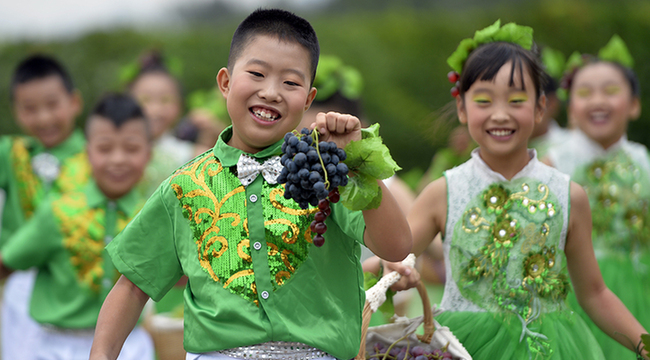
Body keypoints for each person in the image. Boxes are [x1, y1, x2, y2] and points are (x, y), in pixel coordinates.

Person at [89, 8, 412, 360]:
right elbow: (133, 286)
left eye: (290, 83)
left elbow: (396, 246)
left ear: (307, 99)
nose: (271, 92)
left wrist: (357, 161)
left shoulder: (325, 173)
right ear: (225, 82)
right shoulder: (184, 186)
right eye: (257, 74)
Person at [380, 21, 648, 359]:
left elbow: (594, 294)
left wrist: (644, 343)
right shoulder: (443, 191)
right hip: (465, 347)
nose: (500, 114)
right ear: (463, 108)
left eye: (517, 100)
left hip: (549, 348)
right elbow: (396, 253)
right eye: (484, 100)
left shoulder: (569, 195)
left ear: (540, 109)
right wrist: (391, 267)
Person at [0, 93, 154, 360]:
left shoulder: (154, 216)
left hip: (129, 348)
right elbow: (8, 262)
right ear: (87, 152)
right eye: (105, 148)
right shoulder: (58, 212)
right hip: (56, 348)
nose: (118, 160)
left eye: (131, 149)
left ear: (148, 152)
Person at [545, 35, 649, 359]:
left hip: (640, 289)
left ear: (634, 104)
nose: (597, 100)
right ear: (571, 107)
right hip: (576, 292)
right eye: (585, 93)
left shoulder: (643, 159)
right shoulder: (553, 163)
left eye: (611, 91)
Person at [0, 54, 90, 360]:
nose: (43, 118)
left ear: (74, 102)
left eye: (52, 105)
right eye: (29, 109)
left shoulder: (97, 157)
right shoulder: (11, 154)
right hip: (20, 282)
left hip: (77, 282)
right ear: (16, 111)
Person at [126, 50, 206, 197]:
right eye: (145, 100)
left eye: (165, 100)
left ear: (180, 105)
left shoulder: (190, 155)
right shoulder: (115, 152)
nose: (155, 109)